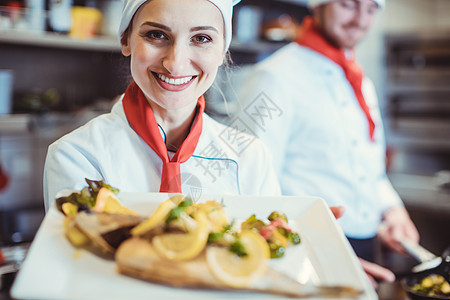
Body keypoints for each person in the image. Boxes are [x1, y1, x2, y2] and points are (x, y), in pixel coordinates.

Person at [232, 0, 419, 287]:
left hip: (367, 246)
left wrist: (391, 207)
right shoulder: (274, 78)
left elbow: (365, 163)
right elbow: (247, 182)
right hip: (305, 247)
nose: (360, 19)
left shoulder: (358, 80)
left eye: (371, 9)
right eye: (348, 4)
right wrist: (318, 253)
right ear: (317, 5)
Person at [43, 0, 283, 211]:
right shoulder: (77, 156)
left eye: (201, 38)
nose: (175, 64)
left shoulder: (251, 158)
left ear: (222, 51)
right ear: (126, 40)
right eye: (157, 35)